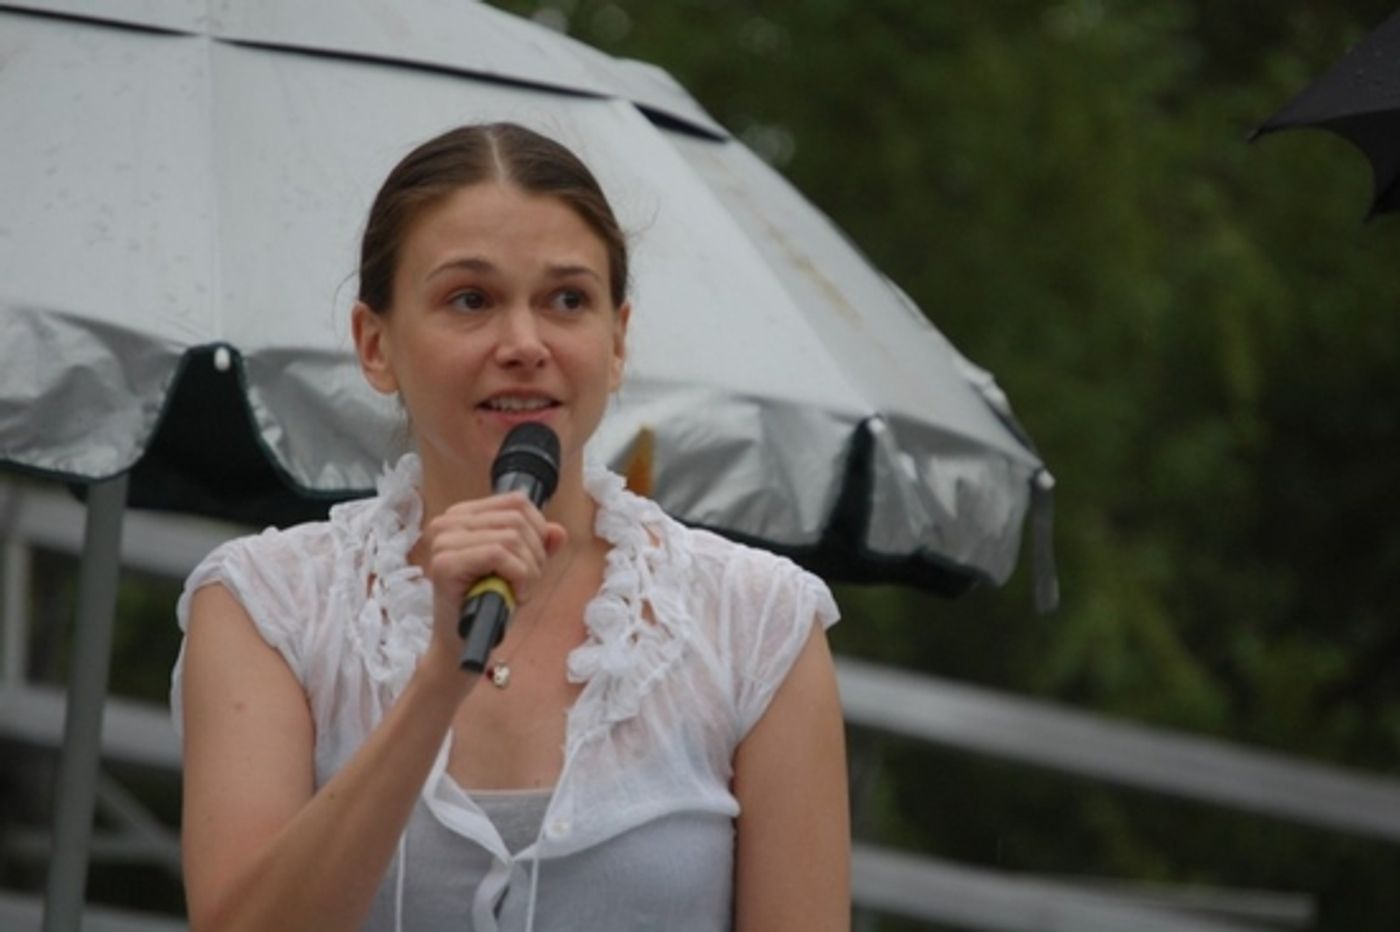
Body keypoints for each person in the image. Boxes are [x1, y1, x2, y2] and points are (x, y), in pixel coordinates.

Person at [171, 122, 850, 931]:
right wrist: (435, 683)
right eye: (471, 300)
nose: (525, 344)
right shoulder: (266, 607)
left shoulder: (758, 623)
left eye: (568, 300)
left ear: (618, 339)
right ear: (375, 344)